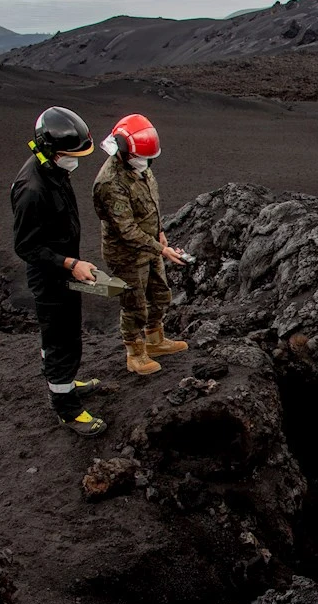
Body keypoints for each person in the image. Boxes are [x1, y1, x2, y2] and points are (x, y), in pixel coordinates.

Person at [10, 106, 107, 437]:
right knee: (59, 340)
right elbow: (26, 248)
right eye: (70, 154)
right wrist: (70, 264)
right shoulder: (31, 189)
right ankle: (66, 408)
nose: (75, 161)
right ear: (50, 150)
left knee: (67, 334)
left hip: (66, 269)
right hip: (51, 276)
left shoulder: (53, 171)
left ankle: (64, 383)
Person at [92, 114, 188, 376]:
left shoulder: (140, 166)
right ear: (122, 149)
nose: (145, 163)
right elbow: (126, 231)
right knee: (134, 303)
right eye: (140, 158)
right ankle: (135, 353)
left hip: (150, 245)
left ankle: (155, 340)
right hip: (127, 254)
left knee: (160, 294)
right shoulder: (110, 183)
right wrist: (162, 249)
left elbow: (149, 205)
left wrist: (160, 233)